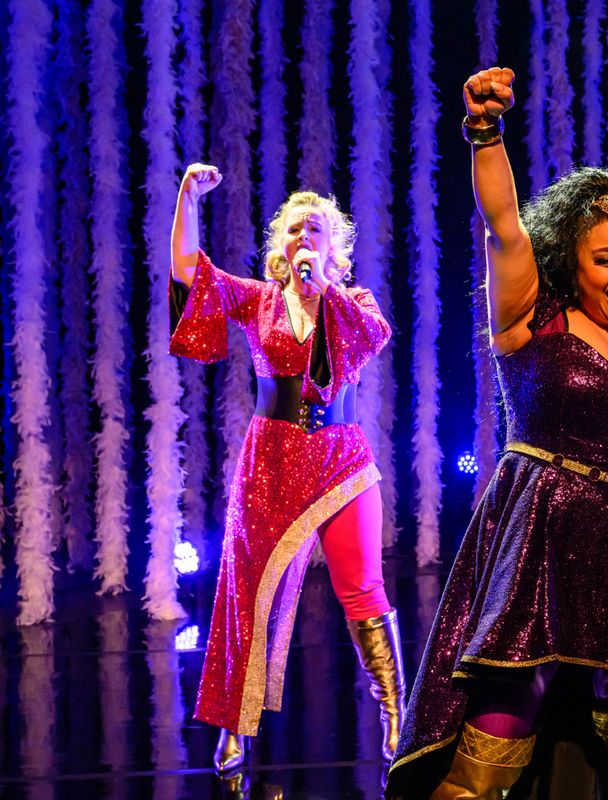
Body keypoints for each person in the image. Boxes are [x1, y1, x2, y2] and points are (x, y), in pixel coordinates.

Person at [385, 68, 608, 799]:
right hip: (536, 536)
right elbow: (504, 226)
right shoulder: (532, 320)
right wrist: (485, 132)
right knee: (499, 728)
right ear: (573, 261)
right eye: (605, 258)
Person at [169, 163, 405, 773]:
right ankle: (233, 725)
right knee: (247, 588)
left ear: (333, 246)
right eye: (296, 229)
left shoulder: (353, 301)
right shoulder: (259, 300)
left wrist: (322, 288)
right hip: (272, 460)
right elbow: (189, 272)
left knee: (363, 586)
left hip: (342, 457)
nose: (305, 237)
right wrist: (187, 199)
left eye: (316, 229)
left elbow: (373, 337)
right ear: (282, 244)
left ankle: (394, 712)